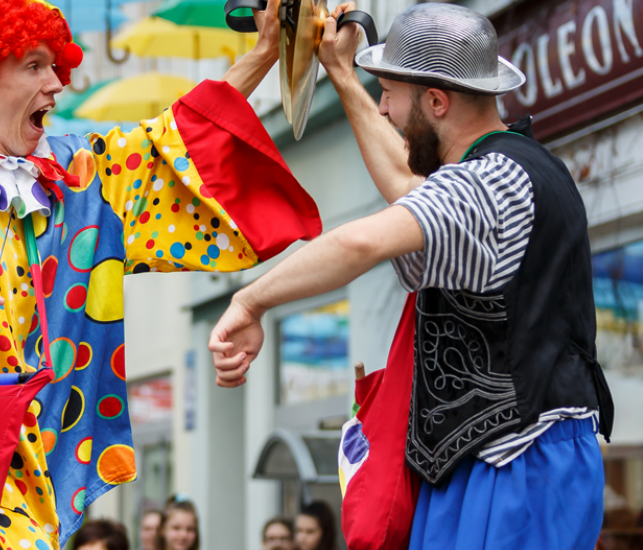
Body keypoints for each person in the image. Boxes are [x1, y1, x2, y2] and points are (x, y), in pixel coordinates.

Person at [0, 0, 321, 549]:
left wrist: (262, 54)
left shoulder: (73, 175)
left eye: (54, 66)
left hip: (50, 444)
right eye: (36, 66)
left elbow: (175, 142)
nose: (57, 83)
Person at [208, 3, 614, 550]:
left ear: (437, 102)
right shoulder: (498, 171)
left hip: (518, 460)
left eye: (391, 95)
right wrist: (340, 72)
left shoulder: (490, 182)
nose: (383, 110)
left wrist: (250, 300)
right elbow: (407, 184)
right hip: (494, 456)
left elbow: (360, 241)